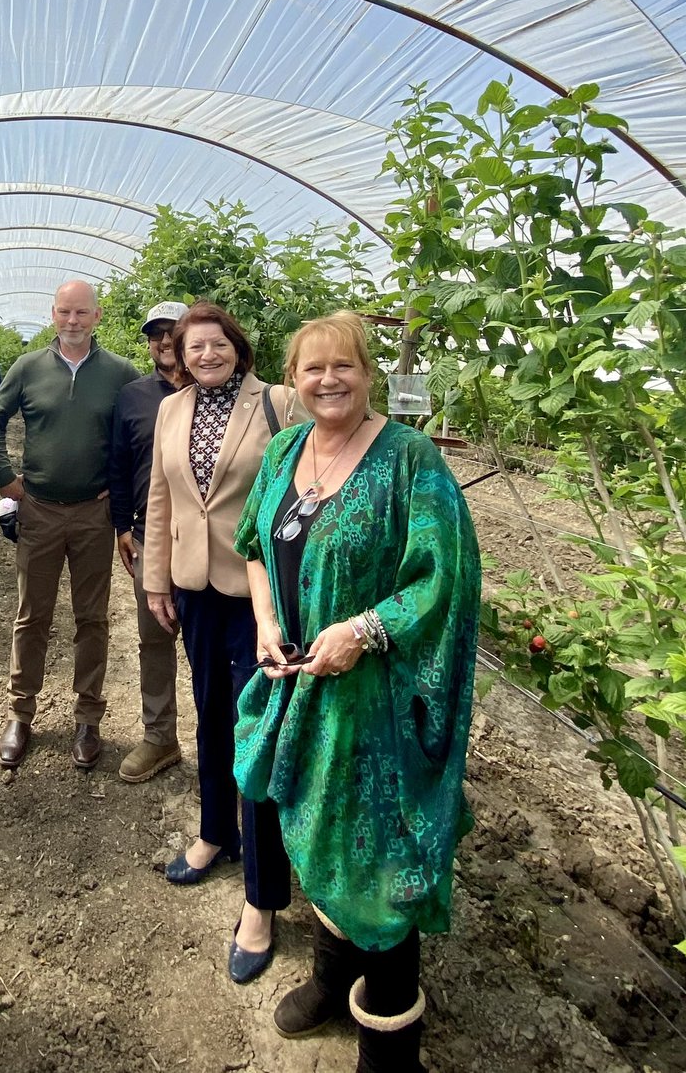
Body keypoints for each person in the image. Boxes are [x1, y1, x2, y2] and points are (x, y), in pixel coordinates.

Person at [232, 311, 480, 1072]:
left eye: (343, 366)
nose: (328, 380)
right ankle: (333, 977)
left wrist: (364, 630)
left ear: (369, 373)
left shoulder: (409, 460)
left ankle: (389, 1041)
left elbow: (446, 577)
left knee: (379, 860)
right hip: (297, 683)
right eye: (313, 369)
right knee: (317, 832)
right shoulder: (284, 450)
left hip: (373, 704)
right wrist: (269, 618)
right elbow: (252, 546)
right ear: (293, 380)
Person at [141, 301, 292, 985]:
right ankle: (213, 834)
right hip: (194, 589)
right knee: (211, 720)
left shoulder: (278, 404)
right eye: (193, 347)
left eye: (217, 344)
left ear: (239, 346)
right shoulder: (174, 409)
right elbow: (161, 497)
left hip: (260, 597)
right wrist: (154, 581)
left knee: (256, 731)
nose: (206, 355)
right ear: (181, 355)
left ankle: (261, 899)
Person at [0, 280, 139, 770]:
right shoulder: (28, 368)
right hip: (40, 510)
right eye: (64, 313)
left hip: (94, 513)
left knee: (91, 617)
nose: (72, 321)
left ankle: (88, 717)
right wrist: (9, 481)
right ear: (53, 315)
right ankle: (20, 712)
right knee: (32, 615)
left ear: (97, 316)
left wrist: (121, 491)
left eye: (82, 313)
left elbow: (138, 438)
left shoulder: (120, 373)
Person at [108, 301, 188, 783]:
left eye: (171, 332)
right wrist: (121, 525)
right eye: (154, 335)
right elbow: (118, 466)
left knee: (214, 643)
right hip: (149, 535)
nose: (162, 342)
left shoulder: (218, 391)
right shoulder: (134, 397)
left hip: (208, 539)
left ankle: (229, 737)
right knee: (154, 639)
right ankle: (161, 737)